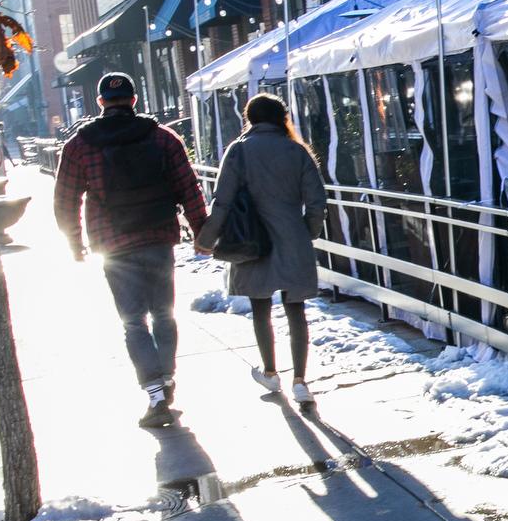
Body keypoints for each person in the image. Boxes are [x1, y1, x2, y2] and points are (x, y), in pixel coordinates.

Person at [54, 73, 207, 428]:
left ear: (100, 102)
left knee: (132, 321)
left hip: (113, 244)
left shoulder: (79, 145)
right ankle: (166, 378)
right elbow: (189, 188)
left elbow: (65, 200)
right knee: (164, 314)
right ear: (134, 100)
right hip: (158, 237)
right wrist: (201, 231)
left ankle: (155, 394)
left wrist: (74, 243)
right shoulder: (163, 138)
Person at [196, 93, 326, 406]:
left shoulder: (239, 150)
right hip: (292, 237)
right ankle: (300, 380)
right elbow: (317, 200)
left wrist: (206, 238)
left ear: (250, 118)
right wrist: (308, 231)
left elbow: (223, 200)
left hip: (252, 239)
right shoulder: (297, 151)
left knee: (260, 307)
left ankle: (270, 372)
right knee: (296, 309)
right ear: (282, 118)